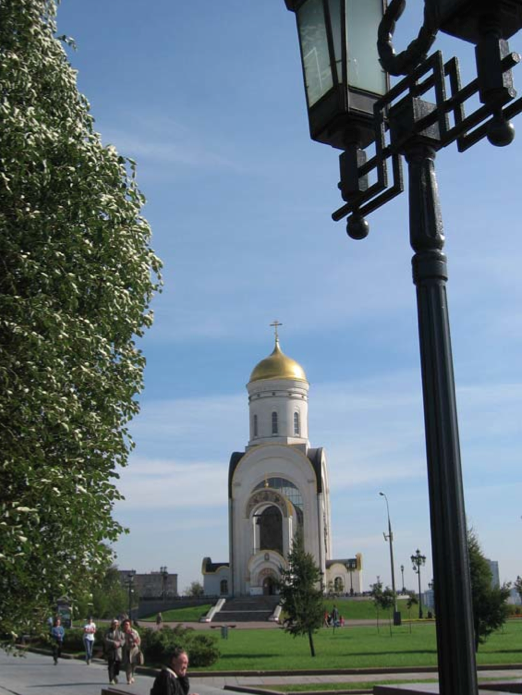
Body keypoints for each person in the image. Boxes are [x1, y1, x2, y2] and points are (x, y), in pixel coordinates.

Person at [104, 618, 125, 685]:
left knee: (118, 664)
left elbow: (123, 640)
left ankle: (115, 675)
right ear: (111, 625)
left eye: (116, 625)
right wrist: (113, 642)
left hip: (118, 650)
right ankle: (111, 679)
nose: (115, 626)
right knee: (111, 665)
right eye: (114, 624)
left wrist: (120, 643)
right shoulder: (108, 631)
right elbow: (105, 639)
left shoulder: (120, 632)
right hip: (111, 650)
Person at [121, 618, 141, 684]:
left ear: (130, 625)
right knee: (128, 665)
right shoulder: (122, 633)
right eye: (125, 624)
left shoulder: (134, 632)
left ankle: (132, 676)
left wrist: (135, 643)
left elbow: (139, 640)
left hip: (134, 650)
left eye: (127, 624)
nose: (126, 626)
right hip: (127, 650)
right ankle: (129, 679)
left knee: (134, 665)